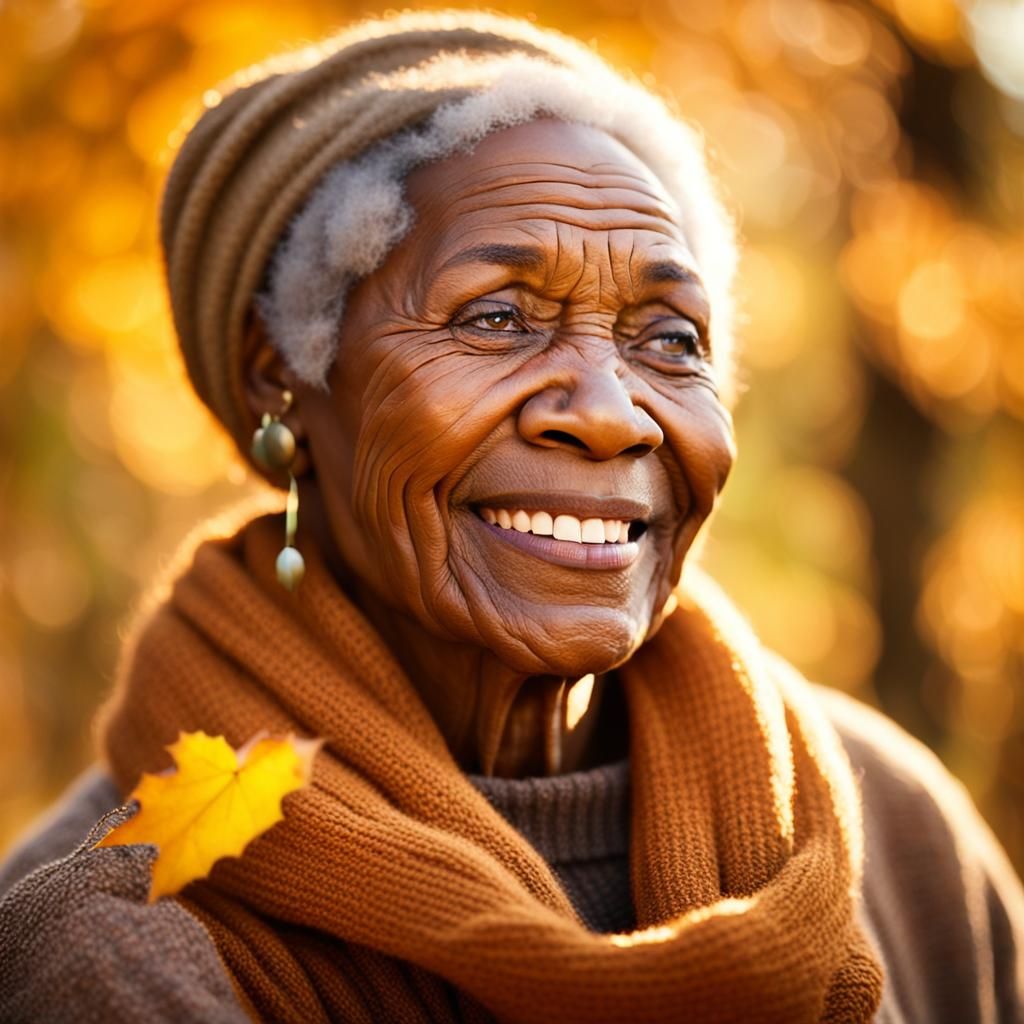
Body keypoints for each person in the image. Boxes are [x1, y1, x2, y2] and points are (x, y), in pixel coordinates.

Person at [0, 11, 1021, 1023]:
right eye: (495, 318)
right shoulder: (113, 943)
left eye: (668, 338)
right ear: (284, 378)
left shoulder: (891, 826)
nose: (612, 413)